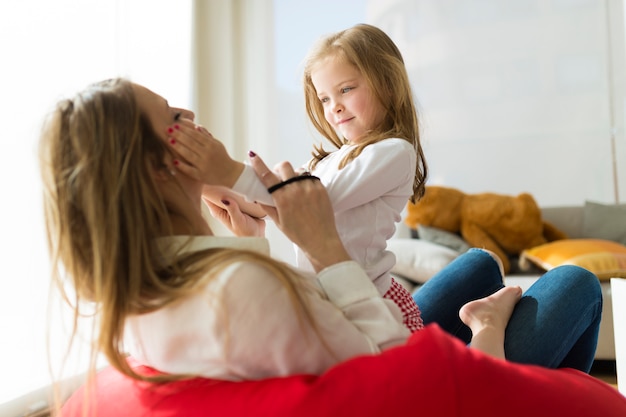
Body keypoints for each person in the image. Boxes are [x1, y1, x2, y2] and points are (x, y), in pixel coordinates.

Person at [41, 79, 626, 417]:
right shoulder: (235, 289)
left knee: (478, 264)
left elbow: (268, 339)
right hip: (397, 355)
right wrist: (322, 244)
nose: (189, 114)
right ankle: (515, 381)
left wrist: (252, 246)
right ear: (156, 164)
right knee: (572, 282)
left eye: (348, 90)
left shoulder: (147, 295)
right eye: (172, 115)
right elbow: (393, 379)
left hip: (352, 321)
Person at [169, 23, 428, 332]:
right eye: (325, 99)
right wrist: (193, 177)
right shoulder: (327, 162)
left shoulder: (394, 152)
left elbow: (312, 202)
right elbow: (256, 203)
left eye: (346, 89)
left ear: (387, 84)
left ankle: (486, 325)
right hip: (328, 298)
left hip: (376, 302)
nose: (335, 108)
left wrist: (225, 168)